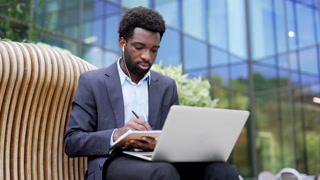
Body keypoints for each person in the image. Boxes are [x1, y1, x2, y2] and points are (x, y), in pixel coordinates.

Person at [64, 6, 240, 180]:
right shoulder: (93, 82)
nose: (147, 56)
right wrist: (118, 134)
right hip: (114, 162)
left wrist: (159, 145)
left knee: (223, 171)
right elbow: (73, 141)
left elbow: (174, 136)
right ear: (122, 44)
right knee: (163, 172)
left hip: (157, 159)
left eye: (153, 50)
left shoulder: (166, 86)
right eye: (139, 47)